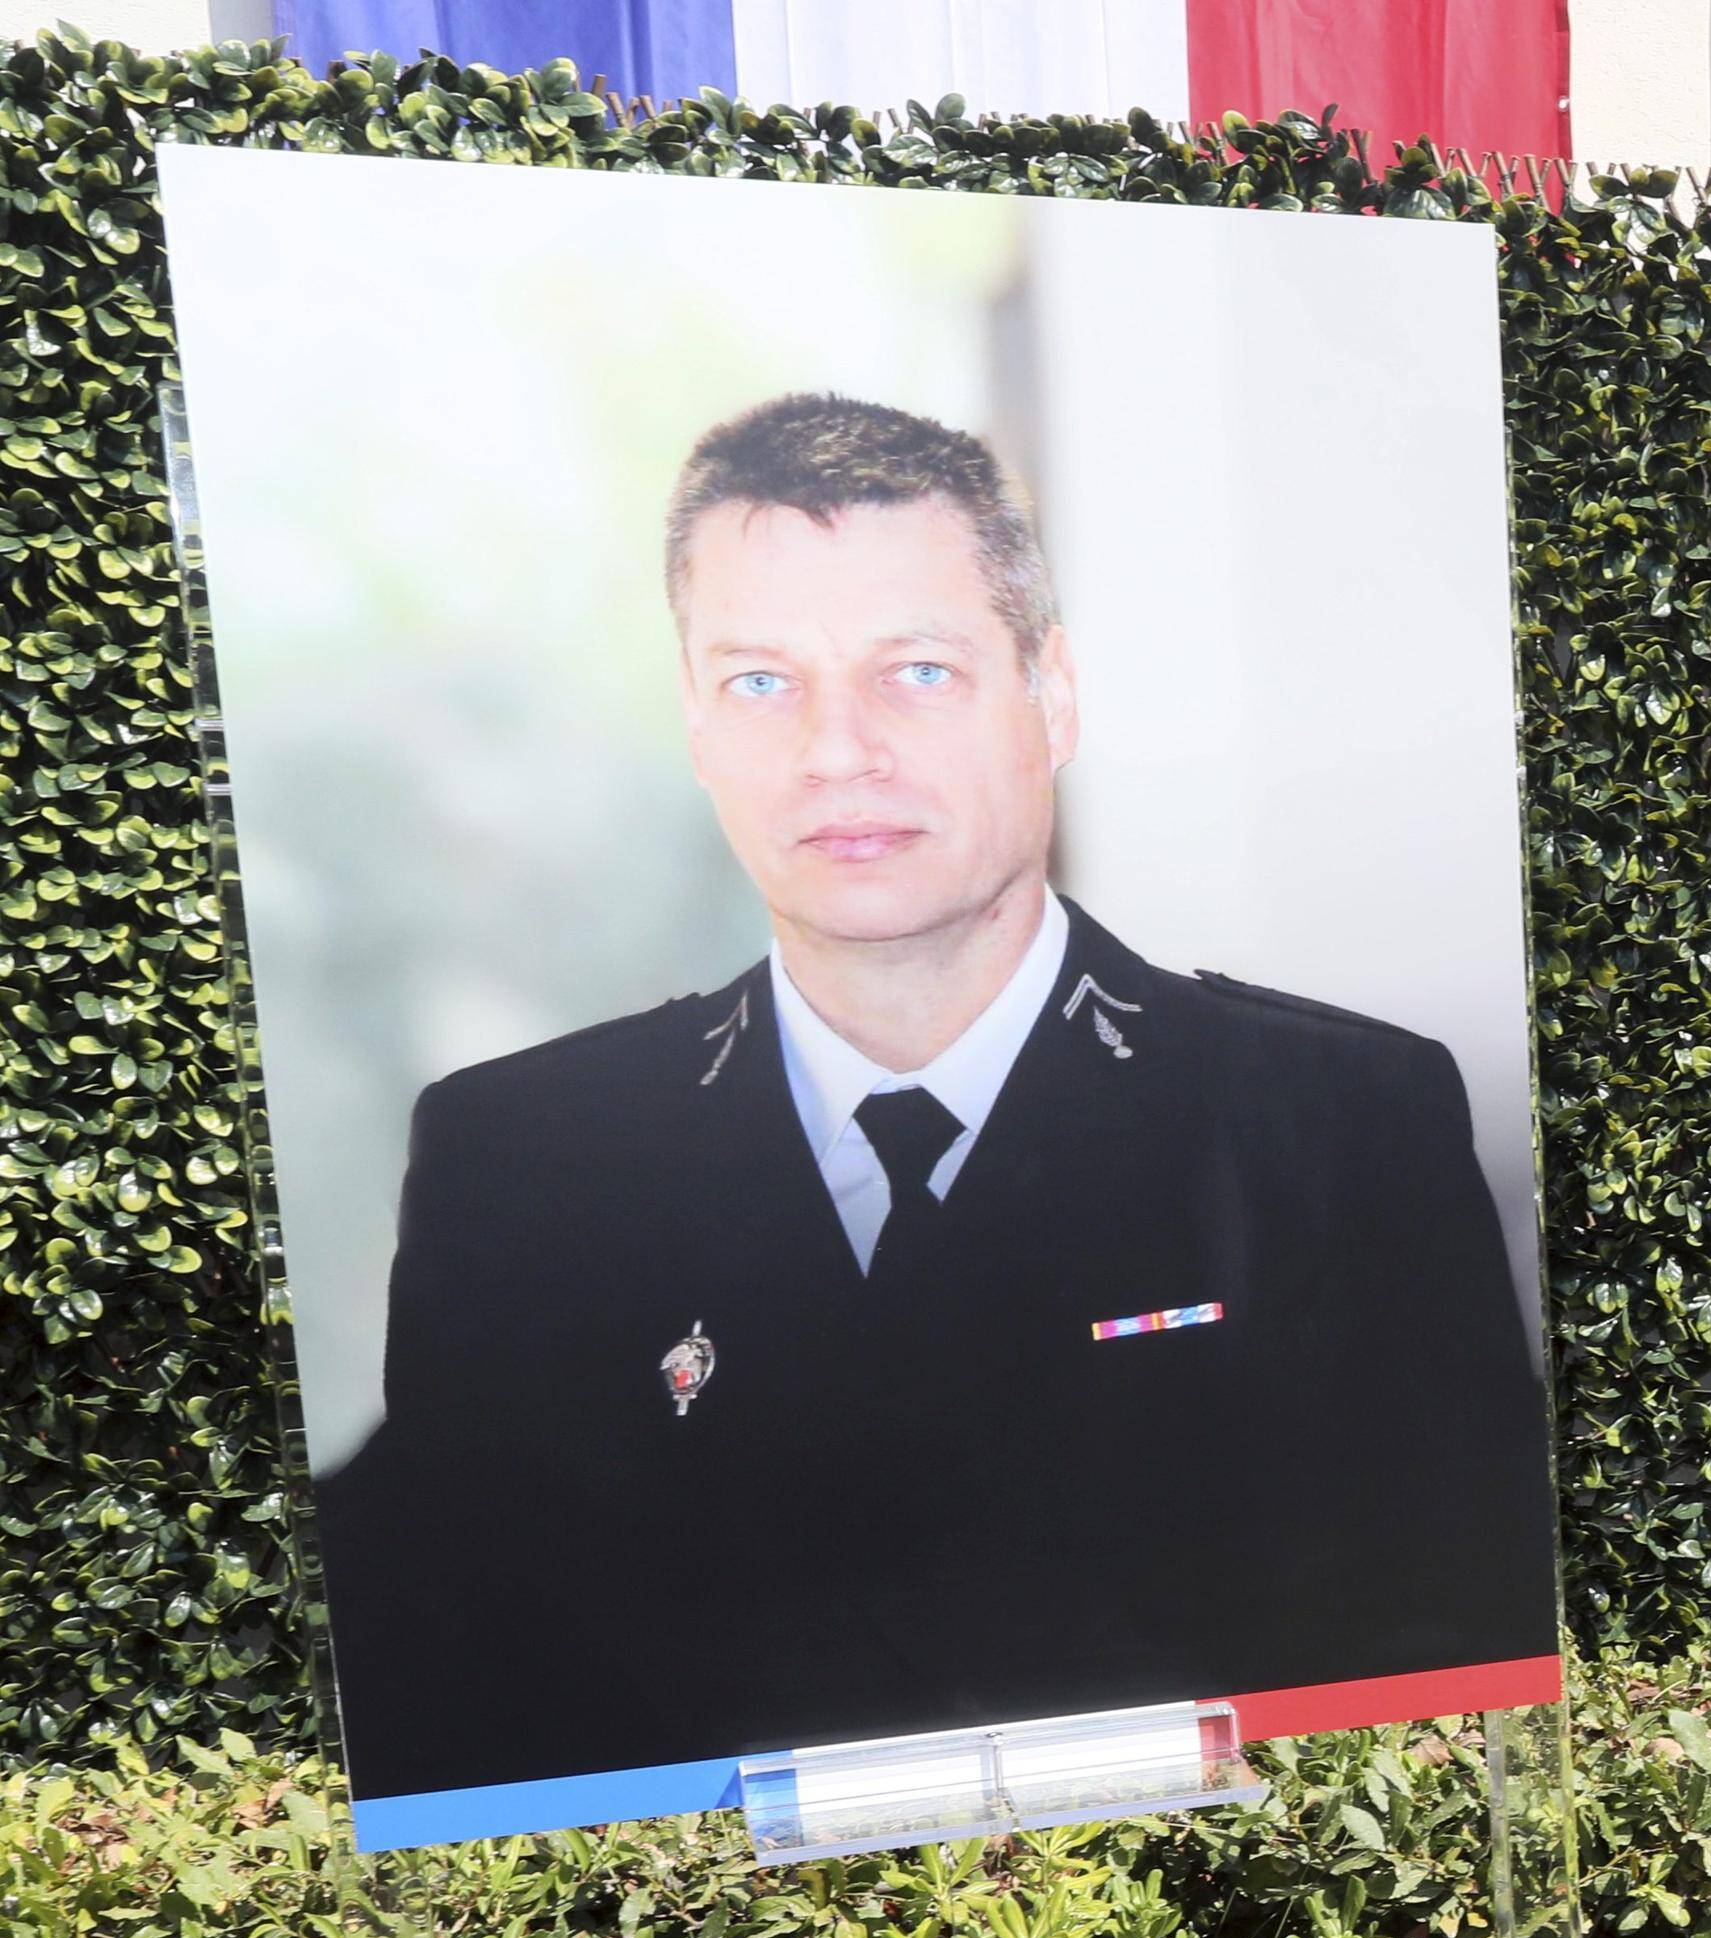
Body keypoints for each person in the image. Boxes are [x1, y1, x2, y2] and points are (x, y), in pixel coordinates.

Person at [318, 393, 1560, 1806]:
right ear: (697, 727)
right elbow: (443, 1694)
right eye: (761, 683)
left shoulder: (1333, 1126)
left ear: (1053, 694)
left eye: (915, 670)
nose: (837, 750)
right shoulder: (524, 1165)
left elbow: (1457, 1685)